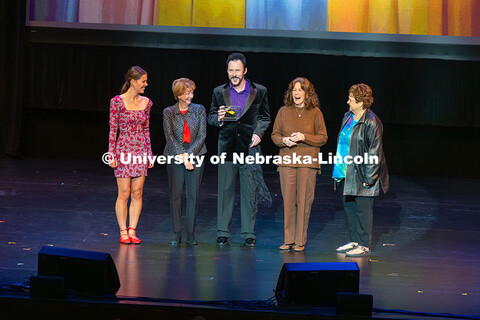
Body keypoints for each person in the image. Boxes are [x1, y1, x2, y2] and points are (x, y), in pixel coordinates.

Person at [207, 52, 271, 247]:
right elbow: (210, 116)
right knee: (225, 191)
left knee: (249, 191)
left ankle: (248, 232)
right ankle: (223, 232)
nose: (234, 74)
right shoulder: (219, 92)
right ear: (227, 71)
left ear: (245, 70)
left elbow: (265, 117)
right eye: (230, 70)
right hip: (227, 147)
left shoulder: (259, 90)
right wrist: (217, 118)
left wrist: (259, 134)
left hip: (249, 148)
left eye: (237, 70)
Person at [271, 77, 328, 252]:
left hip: (307, 163)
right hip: (287, 161)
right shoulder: (283, 111)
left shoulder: (315, 112)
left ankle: (300, 241)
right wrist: (284, 140)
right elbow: (275, 135)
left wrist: (305, 137)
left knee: (304, 202)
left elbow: (323, 138)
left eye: (300, 90)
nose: (297, 93)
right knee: (288, 202)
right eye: (294, 90)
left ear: (307, 93)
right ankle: (288, 239)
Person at [333, 83, 389, 257]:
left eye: (350, 99)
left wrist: (370, 177)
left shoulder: (372, 121)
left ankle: (364, 245)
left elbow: (375, 150)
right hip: (346, 170)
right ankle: (354, 240)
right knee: (349, 206)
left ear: (360, 102)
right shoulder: (348, 117)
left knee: (363, 209)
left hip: (363, 172)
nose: (347, 102)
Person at [108, 66, 154, 244]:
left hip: (140, 150)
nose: (146, 84)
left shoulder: (147, 102)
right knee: (124, 193)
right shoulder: (117, 102)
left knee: (138, 192)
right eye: (143, 81)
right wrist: (111, 153)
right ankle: (123, 231)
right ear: (133, 82)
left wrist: (149, 153)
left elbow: (146, 130)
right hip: (123, 150)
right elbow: (113, 129)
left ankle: (132, 230)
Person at [163, 78, 207, 245]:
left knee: (193, 196)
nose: (191, 95)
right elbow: (170, 138)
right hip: (175, 155)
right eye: (187, 92)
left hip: (196, 154)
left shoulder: (199, 110)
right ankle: (176, 232)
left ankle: (190, 233)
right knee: (175, 195)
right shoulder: (169, 112)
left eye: (192, 92)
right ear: (178, 95)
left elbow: (202, 135)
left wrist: (189, 156)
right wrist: (182, 156)